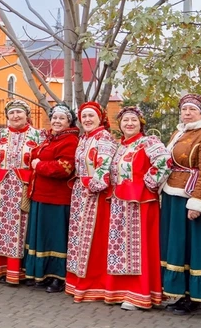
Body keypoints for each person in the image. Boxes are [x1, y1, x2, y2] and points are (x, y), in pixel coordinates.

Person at [104, 105, 171, 310]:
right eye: (125, 120)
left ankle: (140, 294)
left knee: (139, 248)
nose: (129, 123)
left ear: (140, 123)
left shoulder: (148, 142)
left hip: (140, 202)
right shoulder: (119, 146)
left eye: (133, 120)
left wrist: (147, 184)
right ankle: (120, 290)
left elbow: (165, 161)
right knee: (119, 248)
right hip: (119, 201)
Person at [160, 94, 201, 315]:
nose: (187, 113)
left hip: (190, 197)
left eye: (192, 109)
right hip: (173, 194)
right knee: (177, 245)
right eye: (184, 109)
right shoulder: (179, 132)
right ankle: (180, 292)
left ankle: (194, 297)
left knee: (193, 247)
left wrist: (198, 202)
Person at [23, 104, 79, 292]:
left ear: (69, 122)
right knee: (42, 237)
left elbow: (65, 168)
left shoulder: (70, 140)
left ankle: (58, 277)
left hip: (57, 198)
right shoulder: (50, 138)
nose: (57, 121)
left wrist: (39, 165)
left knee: (56, 238)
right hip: (40, 195)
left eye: (61, 118)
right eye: (54, 118)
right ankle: (41, 273)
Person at [65, 102, 118, 303]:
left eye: (91, 116)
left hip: (95, 195)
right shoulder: (84, 138)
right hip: (81, 192)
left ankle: (93, 285)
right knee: (79, 238)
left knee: (93, 239)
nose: (87, 119)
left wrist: (92, 186)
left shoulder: (104, 138)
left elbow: (104, 168)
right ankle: (78, 281)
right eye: (84, 116)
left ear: (100, 118)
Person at [0, 100, 42, 285]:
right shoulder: (0, 134)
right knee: (3, 228)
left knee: (23, 228)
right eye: (12, 113)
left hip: (24, 186)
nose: (15, 116)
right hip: (3, 186)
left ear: (27, 115)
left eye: (19, 112)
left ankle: (20, 271)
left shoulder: (38, 135)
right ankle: (1, 269)